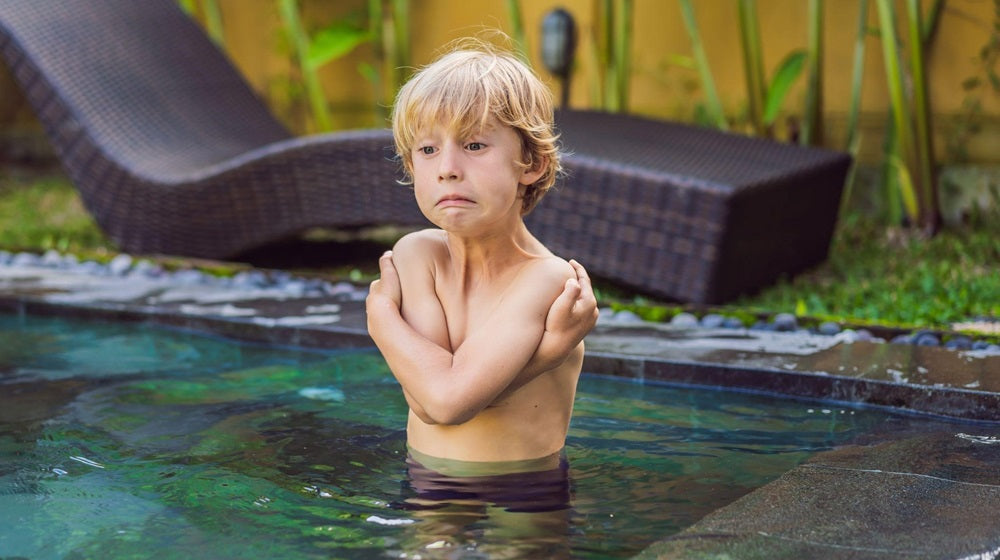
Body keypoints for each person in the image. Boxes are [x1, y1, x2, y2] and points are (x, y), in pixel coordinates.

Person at [366, 41, 598, 476]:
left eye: (474, 145)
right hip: (426, 480)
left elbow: (447, 401)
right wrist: (546, 353)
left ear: (530, 164)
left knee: (520, 550)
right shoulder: (418, 255)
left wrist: (380, 320)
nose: (447, 168)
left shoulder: (547, 279)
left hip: (526, 489)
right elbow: (425, 399)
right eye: (428, 149)